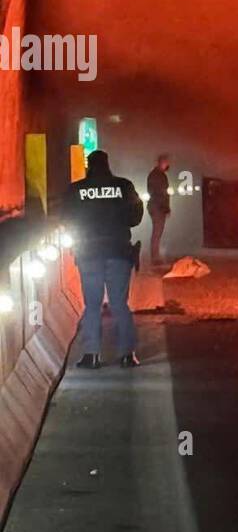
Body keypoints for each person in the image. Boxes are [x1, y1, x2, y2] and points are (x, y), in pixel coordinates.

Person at [65, 149, 144, 368]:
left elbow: (66, 216)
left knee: (92, 305)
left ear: (89, 166)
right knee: (119, 304)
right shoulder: (124, 186)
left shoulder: (76, 189)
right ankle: (128, 355)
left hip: (89, 252)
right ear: (108, 164)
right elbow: (136, 217)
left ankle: (91, 355)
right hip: (118, 251)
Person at [146, 153, 171, 266]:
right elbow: (161, 193)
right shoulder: (159, 175)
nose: (168, 164)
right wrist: (165, 207)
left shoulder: (155, 174)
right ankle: (155, 257)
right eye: (166, 162)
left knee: (157, 232)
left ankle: (155, 256)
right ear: (162, 162)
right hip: (158, 207)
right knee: (157, 232)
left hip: (156, 206)